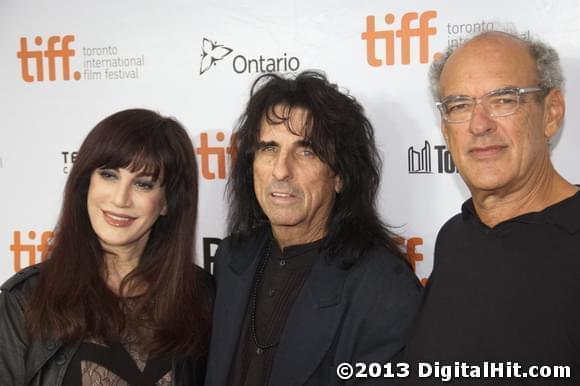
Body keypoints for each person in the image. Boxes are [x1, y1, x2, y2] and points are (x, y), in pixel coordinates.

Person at [205, 71, 423, 386]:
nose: (281, 170)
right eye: (268, 148)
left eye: (306, 151)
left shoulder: (383, 287)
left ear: (340, 175)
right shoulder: (230, 258)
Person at [403, 30, 580, 384]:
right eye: (459, 106)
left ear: (551, 112)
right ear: (445, 128)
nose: (479, 124)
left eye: (503, 99)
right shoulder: (455, 236)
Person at [0, 109, 213, 385]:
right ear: (86, 182)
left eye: (143, 184)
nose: (120, 198)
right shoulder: (26, 300)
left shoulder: (201, 297)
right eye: (109, 175)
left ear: (167, 203)